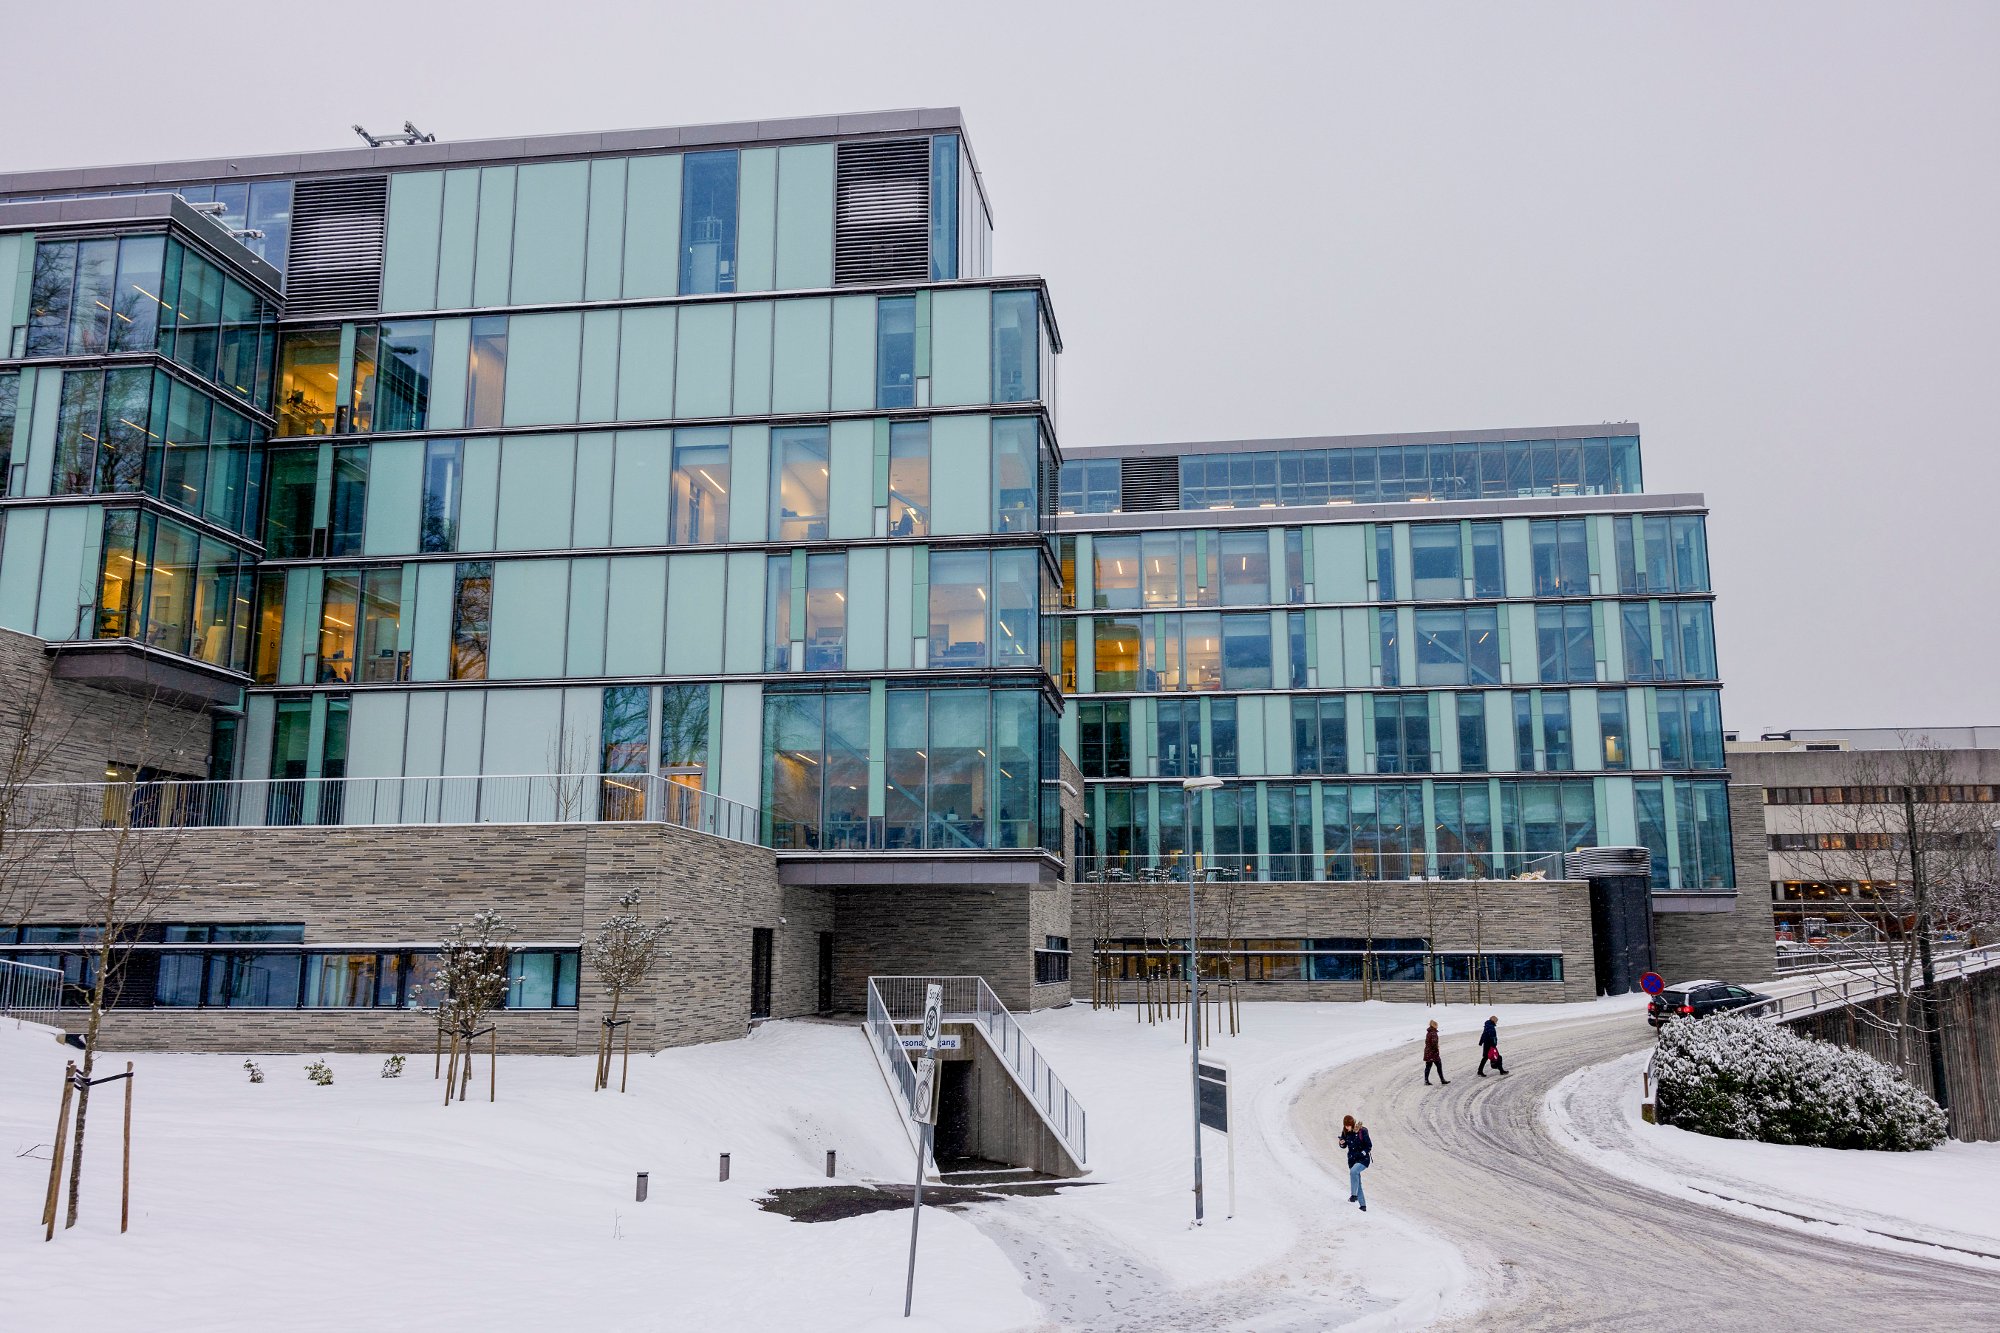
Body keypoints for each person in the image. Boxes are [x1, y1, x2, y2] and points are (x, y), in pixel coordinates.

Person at [1339, 1113, 1372, 1211]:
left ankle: (1354, 1195)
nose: (1346, 1127)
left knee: (1353, 1172)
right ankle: (1363, 1206)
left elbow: (1369, 1146)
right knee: (1357, 1182)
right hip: (1352, 1160)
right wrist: (1341, 1143)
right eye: (1345, 1125)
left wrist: (1362, 1153)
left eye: (1348, 1125)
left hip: (1363, 1159)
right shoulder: (1345, 1132)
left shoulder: (1362, 1131)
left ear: (1352, 1124)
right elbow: (1343, 1145)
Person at [1422, 1020, 1448, 1085]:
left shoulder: (1428, 1032)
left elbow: (1426, 1042)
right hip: (1433, 1053)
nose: (1437, 1026)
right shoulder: (1433, 1033)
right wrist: (1436, 1050)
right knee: (1439, 1065)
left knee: (1428, 1066)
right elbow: (1434, 1044)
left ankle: (1426, 1080)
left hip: (1428, 1052)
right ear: (1434, 1025)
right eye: (1436, 1025)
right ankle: (1442, 1080)